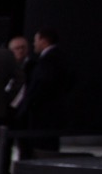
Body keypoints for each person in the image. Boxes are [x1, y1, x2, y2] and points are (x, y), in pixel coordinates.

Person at [15, 27, 74, 155]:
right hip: (51, 115)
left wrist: (26, 108)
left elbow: (40, 86)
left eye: (36, 40)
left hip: (43, 116)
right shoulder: (60, 58)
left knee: (42, 149)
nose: (34, 44)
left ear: (44, 40)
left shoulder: (48, 60)